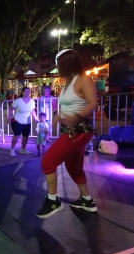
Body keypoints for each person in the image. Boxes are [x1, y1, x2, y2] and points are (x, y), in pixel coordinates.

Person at [36, 49, 97, 218]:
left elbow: (93, 104)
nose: (56, 67)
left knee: (48, 162)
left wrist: (75, 117)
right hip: (69, 130)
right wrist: (58, 116)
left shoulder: (84, 80)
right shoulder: (67, 83)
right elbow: (67, 105)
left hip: (78, 131)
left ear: (67, 64)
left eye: (58, 64)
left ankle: (53, 200)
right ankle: (87, 200)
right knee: (73, 167)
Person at [8, 87, 39, 156]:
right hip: (17, 121)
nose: (27, 93)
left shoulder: (32, 101)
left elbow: (32, 111)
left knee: (25, 136)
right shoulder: (18, 101)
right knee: (17, 136)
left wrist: (35, 118)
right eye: (25, 91)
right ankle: (12, 149)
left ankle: (23, 149)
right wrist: (9, 118)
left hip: (27, 122)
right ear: (22, 92)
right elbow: (11, 109)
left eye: (28, 91)